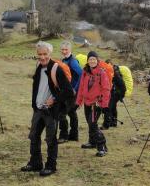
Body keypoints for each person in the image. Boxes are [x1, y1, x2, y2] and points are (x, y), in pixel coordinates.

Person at [21, 41, 74, 176]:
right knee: (33, 137)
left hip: (51, 111)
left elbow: (69, 91)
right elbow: (36, 86)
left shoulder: (56, 68)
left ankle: (51, 166)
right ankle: (35, 163)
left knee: (50, 139)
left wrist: (55, 99)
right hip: (38, 109)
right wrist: (34, 104)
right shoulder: (39, 66)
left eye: (45, 54)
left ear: (50, 53)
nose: (42, 57)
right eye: (40, 54)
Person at [76, 51, 110, 157]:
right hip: (87, 102)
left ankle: (102, 146)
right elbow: (81, 87)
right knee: (89, 123)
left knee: (93, 124)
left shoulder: (101, 73)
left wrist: (104, 105)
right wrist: (78, 102)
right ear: (87, 61)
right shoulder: (85, 72)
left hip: (96, 103)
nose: (92, 61)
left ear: (97, 60)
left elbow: (106, 89)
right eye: (90, 59)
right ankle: (92, 142)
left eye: (94, 59)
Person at [58, 41, 82, 143]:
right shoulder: (64, 60)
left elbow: (81, 75)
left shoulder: (73, 61)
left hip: (72, 93)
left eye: (66, 49)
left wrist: (75, 89)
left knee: (61, 113)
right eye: (62, 49)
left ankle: (64, 136)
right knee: (72, 113)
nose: (64, 51)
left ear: (70, 50)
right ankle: (74, 135)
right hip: (66, 91)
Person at [102, 63, 126, 129]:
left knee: (108, 107)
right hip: (113, 93)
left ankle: (106, 124)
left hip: (116, 93)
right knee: (112, 107)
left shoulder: (115, 74)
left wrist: (120, 95)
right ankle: (113, 122)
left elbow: (123, 86)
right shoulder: (107, 72)